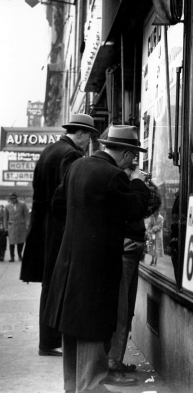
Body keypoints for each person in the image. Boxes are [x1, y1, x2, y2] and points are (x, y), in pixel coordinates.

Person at [43, 125, 150, 393]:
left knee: (73, 337)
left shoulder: (77, 166)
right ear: (126, 154)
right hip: (95, 270)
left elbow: (58, 205)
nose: (133, 162)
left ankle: (73, 387)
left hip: (69, 266)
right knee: (91, 336)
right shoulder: (115, 176)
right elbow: (135, 208)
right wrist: (138, 181)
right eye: (133, 156)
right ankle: (89, 388)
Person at [20, 113, 99, 357]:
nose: (89, 144)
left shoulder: (49, 151)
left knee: (49, 284)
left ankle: (49, 340)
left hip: (43, 228)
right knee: (58, 285)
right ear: (81, 133)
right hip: (57, 229)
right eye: (89, 138)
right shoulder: (70, 154)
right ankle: (50, 341)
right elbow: (68, 196)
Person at [108, 164, 161, 386]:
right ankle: (112, 364)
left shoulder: (130, 185)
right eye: (132, 167)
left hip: (132, 251)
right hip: (125, 252)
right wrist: (138, 184)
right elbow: (133, 209)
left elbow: (151, 205)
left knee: (127, 310)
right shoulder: (119, 183)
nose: (135, 170)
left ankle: (116, 361)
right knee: (121, 311)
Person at [4, 193, 30, 262]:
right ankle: (12, 257)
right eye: (11, 199)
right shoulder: (7, 206)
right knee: (11, 242)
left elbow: (26, 215)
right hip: (11, 227)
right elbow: (5, 217)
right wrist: (5, 227)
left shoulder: (22, 205)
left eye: (14, 198)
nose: (13, 200)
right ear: (10, 199)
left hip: (21, 226)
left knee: (20, 241)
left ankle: (20, 255)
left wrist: (27, 224)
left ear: (16, 198)